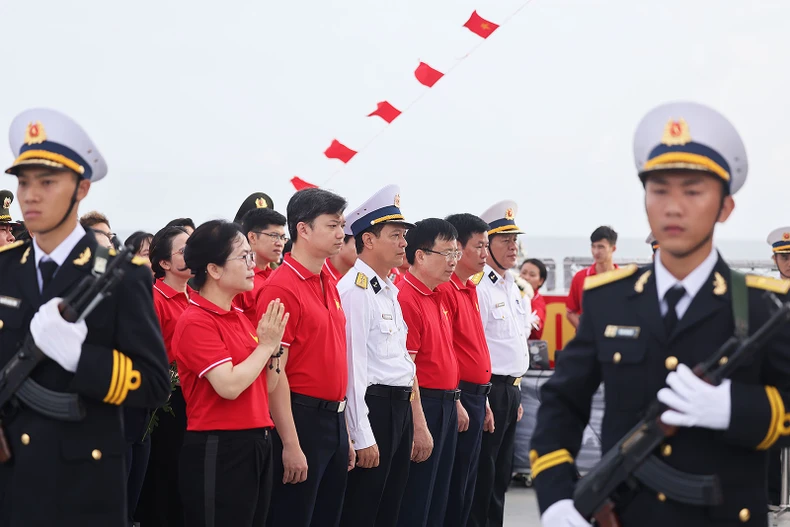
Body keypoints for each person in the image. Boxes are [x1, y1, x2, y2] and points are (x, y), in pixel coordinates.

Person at [532, 102, 790, 527]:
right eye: (659, 189)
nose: (673, 207)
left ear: (725, 208)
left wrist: (734, 407)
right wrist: (558, 499)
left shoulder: (764, 306)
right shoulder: (607, 300)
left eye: (692, 191)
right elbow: (562, 404)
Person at [0, 108, 170, 525]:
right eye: (23, 182)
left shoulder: (123, 275)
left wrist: (82, 358)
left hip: (84, 484)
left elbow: (154, 384)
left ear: (81, 188)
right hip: (10, 477)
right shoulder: (4, 267)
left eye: (47, 182)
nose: (31, 195)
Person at [173, 220, 287, 527]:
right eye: (243, 257)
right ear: (214, 269)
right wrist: (266, 346)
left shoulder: (238, 316)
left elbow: (267, 383)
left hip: (256, 442)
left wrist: (275, 349)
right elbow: (229, 386)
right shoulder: (196, 321)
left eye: (252, 256)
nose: (253, 265)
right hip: (220, 446)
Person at [257, 188, 354, 527]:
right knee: (293, 514)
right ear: (303, 229)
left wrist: (345, 432)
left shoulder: (329, 279)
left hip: (333, 420)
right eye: (332, 225)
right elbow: (274, 372)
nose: (341, 233)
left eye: (342, 225)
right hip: (300, 417)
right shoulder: (282, 287)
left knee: (328, 516)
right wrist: (291, 443)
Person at [338, 184, 417, 527]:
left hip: (398, 409)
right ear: (368, 240)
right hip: (375, 409)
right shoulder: (355, 290)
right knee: (364, 510)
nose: (404, 243)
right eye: (396, 235)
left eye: (404, 236)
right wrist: (361, 434)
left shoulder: (387, 290)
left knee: (390, 510)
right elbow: (353, 368)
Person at [396, 218, 461, 527]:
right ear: (420, 255)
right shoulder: (407, 298)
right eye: (446, 253)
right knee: (418, 498)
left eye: (456, 254)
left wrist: (457, 400)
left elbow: (443, 357)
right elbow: (408, 369)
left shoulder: (437, 295)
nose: (452, 263)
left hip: (445, 404)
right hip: (425, 405)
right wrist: (419, 425)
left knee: (439, 498)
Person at [470, 200, 530, 527]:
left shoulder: (512, 286)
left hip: (510, 392)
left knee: (501, 475)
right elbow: (475, 347)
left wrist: (514, 393)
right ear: (487, 244)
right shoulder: (479, 288)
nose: (513, 246)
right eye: (504, 239)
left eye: (514, 239)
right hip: (489, 390)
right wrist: (488, 395)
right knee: (483, 475)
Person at [136, 225, 193, 527]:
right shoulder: (155, 300)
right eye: (183, 251)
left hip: (193, 401)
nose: (191, 254)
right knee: (163, 478)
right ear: (164, 264)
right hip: (167, 401)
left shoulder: (195, 297)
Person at [440, 213, 493, 527]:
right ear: (457, 249)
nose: (485, 253)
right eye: (479, 246)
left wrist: (483, 399)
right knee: (454, 485)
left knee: (469, 485)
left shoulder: (470, 289)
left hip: (476, 397)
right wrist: (459, 399)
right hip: (458, 399)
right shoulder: (447, 290)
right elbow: (448, 353)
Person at [234, 207, 287, 326]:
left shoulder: (279, 277)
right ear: (252, 237)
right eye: (274, 236)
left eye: (283, 237)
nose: (280, 243)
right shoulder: (238, 280)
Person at [565, 226, 619, 328]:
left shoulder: (623, 279)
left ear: (613, 248)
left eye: (601, 247)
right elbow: (570, 312)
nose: (595, 251)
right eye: (593, 246)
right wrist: (585, 333)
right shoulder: (580, 277)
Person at [520, 258, 548, 340]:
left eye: (532, 275)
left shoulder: (538, 301)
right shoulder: (513, 294)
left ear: (541, 281)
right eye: (523, 273)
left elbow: (535, 322)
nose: (526, 277)